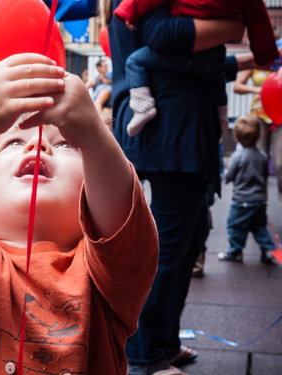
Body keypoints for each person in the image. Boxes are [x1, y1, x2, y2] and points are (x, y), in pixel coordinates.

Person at [0, 53, 159, 374]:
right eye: (12, 141)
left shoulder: (107, 278)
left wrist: (93, 134)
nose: (37, 146)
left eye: (67, 143)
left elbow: (126, 228)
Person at [107, 1, 279, 374]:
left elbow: (197, 63)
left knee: (187, 239)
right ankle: (142, 355)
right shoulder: (150, 10)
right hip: (172, 131)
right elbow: (164, 39)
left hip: (182, 129)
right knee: (168, 249)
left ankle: (162, 344)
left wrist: (242, 39)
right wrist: (235, 23)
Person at [113, 0, 278, 137]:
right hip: (213, 49)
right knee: (215, 78)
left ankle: (143, 106)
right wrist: (265, 55)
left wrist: (127, 11)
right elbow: (259, 24)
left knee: (135, 61)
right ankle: (222, 117)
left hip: (181, 45)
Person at [218, 115, 276, 264]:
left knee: (235, 226)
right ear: (258, 136)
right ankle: (268, 249)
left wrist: (225, 178)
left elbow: (229, 176)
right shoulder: (263, 156)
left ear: (236, 137)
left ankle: (235, 252)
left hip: (242, 201)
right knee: (259, 227)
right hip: (260, 201)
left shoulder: (237, 156)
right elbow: (264, 175)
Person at [233, 66, 282, 201]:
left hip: (281, 118)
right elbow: (236, 86)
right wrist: (260, 90)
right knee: (259, 164)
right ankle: (258, 205)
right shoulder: (257, 60)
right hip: (259, 118)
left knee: (280, 164)